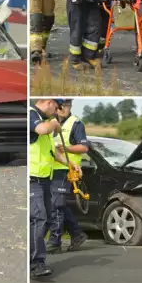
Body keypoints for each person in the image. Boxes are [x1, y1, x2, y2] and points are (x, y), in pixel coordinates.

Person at [30, 98, 80, 278]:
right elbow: (41, 130)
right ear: (49, 102)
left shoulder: (44, 120)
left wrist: (70, 163)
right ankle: (36, 264)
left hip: (44, 179)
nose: (57, 113)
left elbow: (53, 153)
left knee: (42, 218)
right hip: (31, 178)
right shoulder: (32, 114)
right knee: (38, 218)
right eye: (56, 108)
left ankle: (33, 260)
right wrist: (53, 124)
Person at [46, 99, 89, 253]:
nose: (63, 108)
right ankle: (77, 234)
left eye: (67, 105)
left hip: (67, 170)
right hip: (50, 170)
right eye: (61, 105)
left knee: (57, 205)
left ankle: (54, 242)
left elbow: (84, 147)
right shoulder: (50, 121)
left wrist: (67, 149)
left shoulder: (76, 123)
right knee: (59, 204)